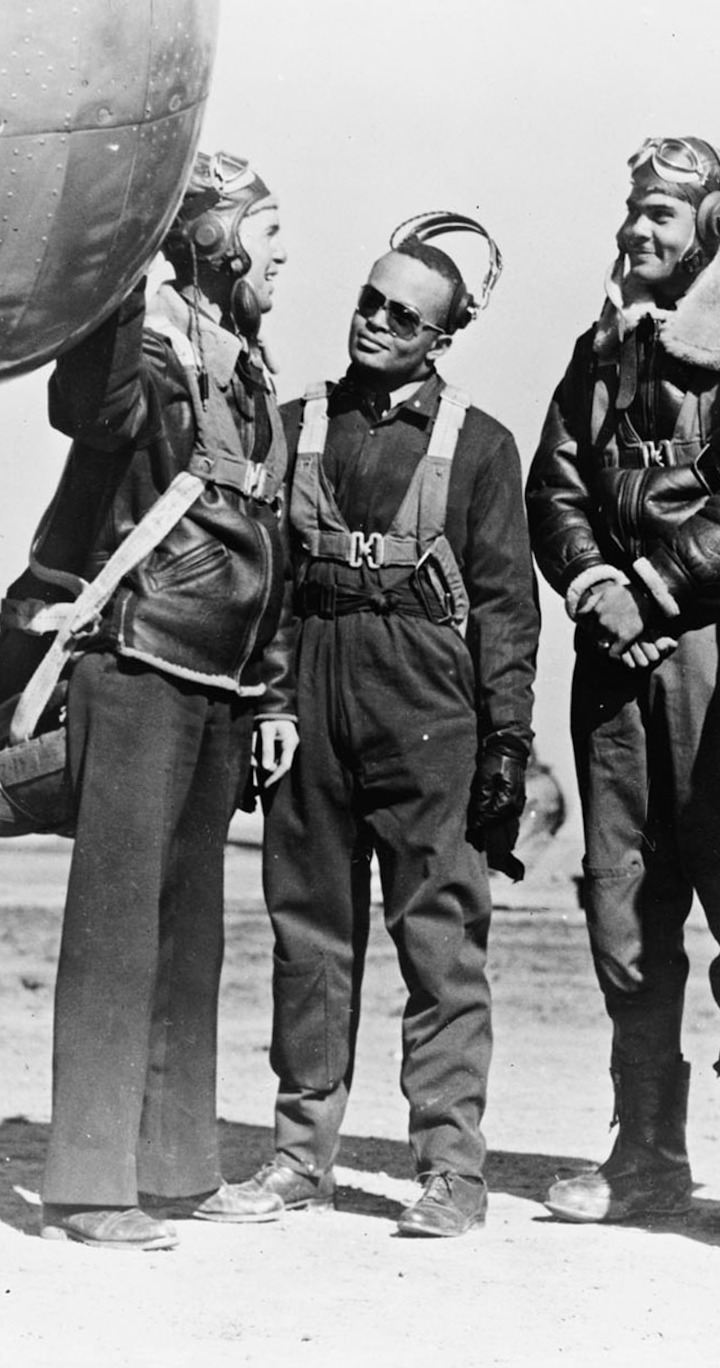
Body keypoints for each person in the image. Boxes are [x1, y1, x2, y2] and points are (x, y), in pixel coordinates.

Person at [196, 217, 538, 1239]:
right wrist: (268, 702)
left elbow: (506, 606)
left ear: (442, 337)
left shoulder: (479, 444)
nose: (376, 324)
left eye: (404, 317)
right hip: (310, 694)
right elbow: (263, 582)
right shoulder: (295, 419)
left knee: (440, 943)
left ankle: (450, 1172)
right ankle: (300, 1159)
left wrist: (506, 742)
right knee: (308, 938)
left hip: (427, 710)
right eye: (369, 302)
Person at [527, 137, 720, 1236]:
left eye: (660, 213)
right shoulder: (600, 350)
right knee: (620, 901)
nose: (636, 230)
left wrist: (653, 585)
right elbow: (555, 479)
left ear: (711, 225)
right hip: (614, 655)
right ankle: (644, 1149)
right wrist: (599, 580)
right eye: (632, 209)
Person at [24, 151, 298, 1252]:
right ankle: (88, 1190)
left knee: (190, 937)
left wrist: (270, 688)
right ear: (219, 244)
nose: (281, 264)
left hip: (219, 681)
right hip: (138, 661)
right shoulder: (147, 347)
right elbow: (87, 410)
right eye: (269, 241)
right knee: (115, 932)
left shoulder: (248, 370)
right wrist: (124, 258)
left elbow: (266, 539)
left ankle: (177, 1172)